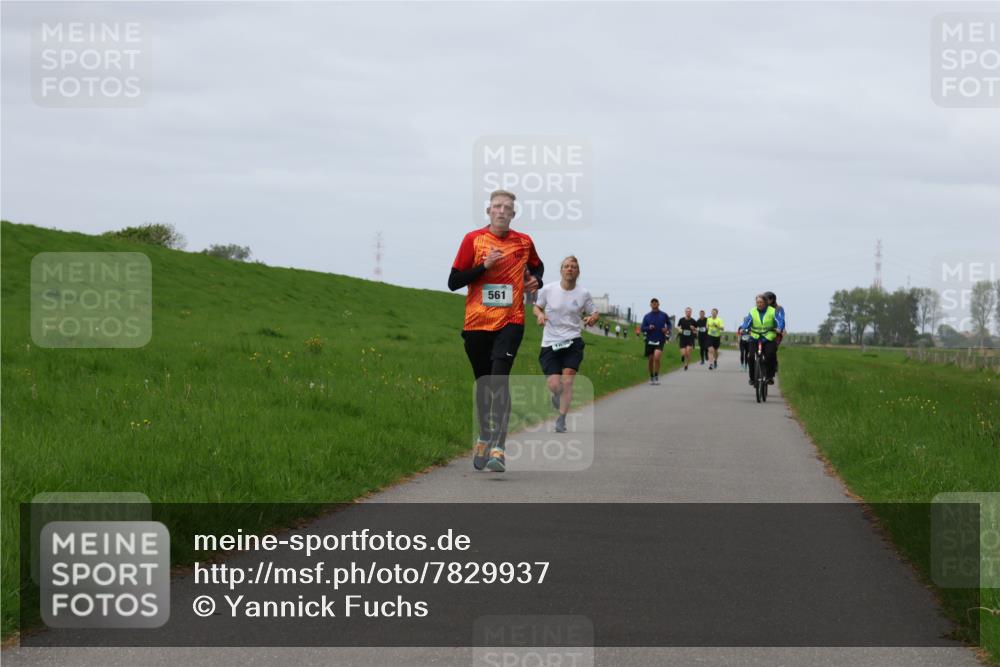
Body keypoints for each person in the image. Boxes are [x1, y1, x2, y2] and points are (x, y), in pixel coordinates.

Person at [449, 189, 544, 473]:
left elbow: (538, 268)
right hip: (476, 323)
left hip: (510, 320)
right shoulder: (472, 239)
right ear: (489, 211)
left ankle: (498, 449)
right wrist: (483, 266)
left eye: (507, 207)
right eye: (497, 206)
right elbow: (454, 281)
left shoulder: (524, 242)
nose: (502, 211)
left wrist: (535, 282)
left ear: (514, 214)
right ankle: (484, 435)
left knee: (500, 382)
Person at [533, 256, 599, 433]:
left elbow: (595, 312)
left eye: (573, 267)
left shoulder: (583, 293)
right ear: (561, 270)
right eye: (566, 266)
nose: (570, 269)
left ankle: (561, 419)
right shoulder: (548, 289)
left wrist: (592, 318)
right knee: (555, 385)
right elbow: (536, 307)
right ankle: (556, 395)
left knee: (568, 380)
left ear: (578, 272)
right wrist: (539, 315)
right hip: (550, 341)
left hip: (573, 341)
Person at [739, 294, 785, 386]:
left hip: (768, 337)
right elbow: (747, 321)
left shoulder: (772, 311)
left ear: (765, 303)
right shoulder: (752, 311)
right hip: (755, 337)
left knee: (770, 355)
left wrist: (779, 328)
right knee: (750, 356)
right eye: (757, 302)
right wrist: (743, 328)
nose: (759, 304)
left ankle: (769, 376)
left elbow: (780, 321)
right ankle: (752, 378)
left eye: (761, 302)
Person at [641, 298, 672, 384]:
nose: (654, 304)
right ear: (650, 305)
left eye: (656, 303)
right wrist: (648, 328)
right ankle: (651, 377)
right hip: (650, 340)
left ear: (659, 304)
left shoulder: (663, 315)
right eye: (652, 303)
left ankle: (656, 375)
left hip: (660, 339)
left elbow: (669, 324)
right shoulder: (647, 316)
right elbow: (642, 328)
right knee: (650, 359)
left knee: (657, 357)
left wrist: (667, 329)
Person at [764, 291, 786, 376]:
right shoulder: (762, 308)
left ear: (772, 300)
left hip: (776, 332)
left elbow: (781, 319)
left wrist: (780, 328)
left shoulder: (779, 308)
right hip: (764, 332)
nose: (765, 301)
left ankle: (774, 365)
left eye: (766, 299)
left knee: (772, 350)